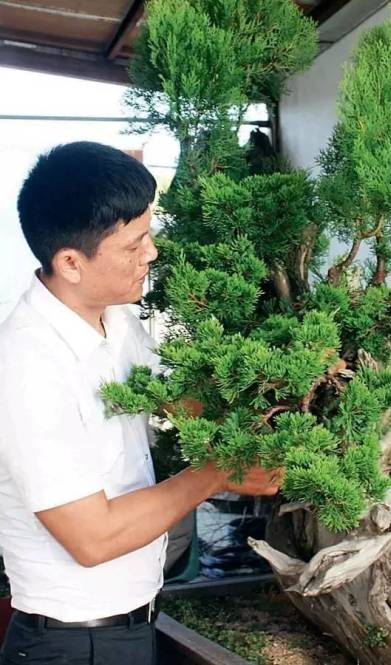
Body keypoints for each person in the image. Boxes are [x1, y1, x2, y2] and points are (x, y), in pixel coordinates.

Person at [0, 142, 280, 664]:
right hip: (72, 644)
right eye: (134, 244)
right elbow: (93, 538)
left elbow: (181, 399)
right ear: (70, 262)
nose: (150, 253)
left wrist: (275, 393)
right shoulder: (25, 365)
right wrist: (216, 473)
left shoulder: (118, 323)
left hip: (128, 623)